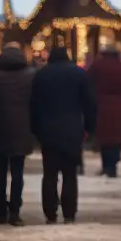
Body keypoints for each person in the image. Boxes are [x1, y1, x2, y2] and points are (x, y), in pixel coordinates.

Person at [30, 46, 96, 223]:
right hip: (72, 130)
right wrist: (89, 128)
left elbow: (33, 106)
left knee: (50, 174)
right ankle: (69, 212)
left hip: (48, 130)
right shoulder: (79, 74)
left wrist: (36, 130)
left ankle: (50, 213)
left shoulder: (41, 75)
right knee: (70, 173)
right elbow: (89, 104)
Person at [0, 42, 36, 225]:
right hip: (22, 128)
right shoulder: (31, 75)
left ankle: (1, 211)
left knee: (0, 173)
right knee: (17, 173)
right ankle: (15, 212)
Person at [88, 45, 121, 178]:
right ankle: (113, 166)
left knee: (104, 138)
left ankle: (106, 166)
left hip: (101, 105)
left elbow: (89, 84)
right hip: (119, 105)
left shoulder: (96, 66)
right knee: (116, 139)